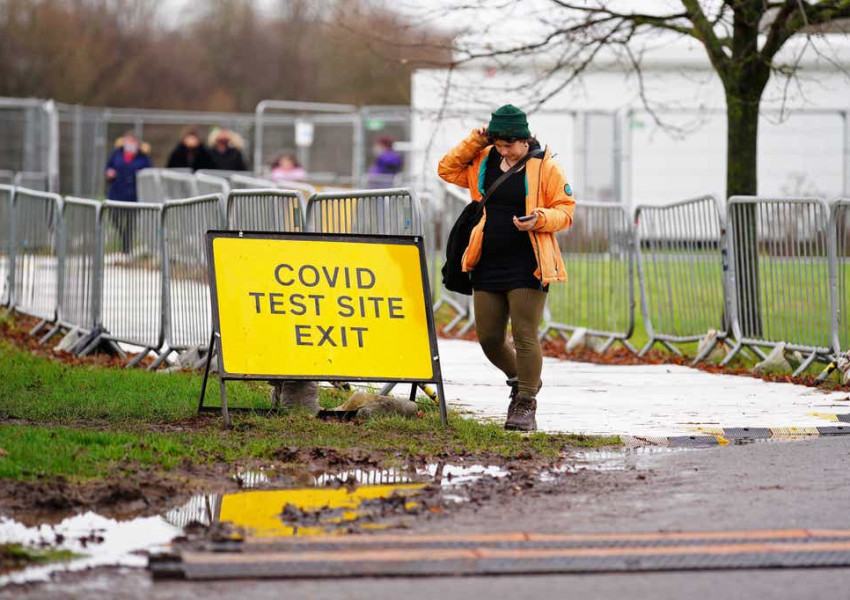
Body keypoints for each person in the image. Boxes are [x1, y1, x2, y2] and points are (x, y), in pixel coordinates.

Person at [437, 104, 575, 431]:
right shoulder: (484, 159)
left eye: (510, 144)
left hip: (529, 261)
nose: (504, 150)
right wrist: (477, 139)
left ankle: (525, 402)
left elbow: (566, 211)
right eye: (499, 144)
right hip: (487, 259)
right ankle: (523, 379)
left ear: (525, 139)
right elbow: (446, 169)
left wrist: (539, 219)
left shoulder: (546, 166)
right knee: (488, 337)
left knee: (525, 334)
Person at [105, 132, 152, 253]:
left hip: (133, 195)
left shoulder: (143, 157)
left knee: (130, 222)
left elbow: (148, 172)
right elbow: (108, 166)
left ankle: (127, 248)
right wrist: (109, 173)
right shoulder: (117, 154)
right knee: (114, 218)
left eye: (133, 142)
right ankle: (123, 235)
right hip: (116, 193)